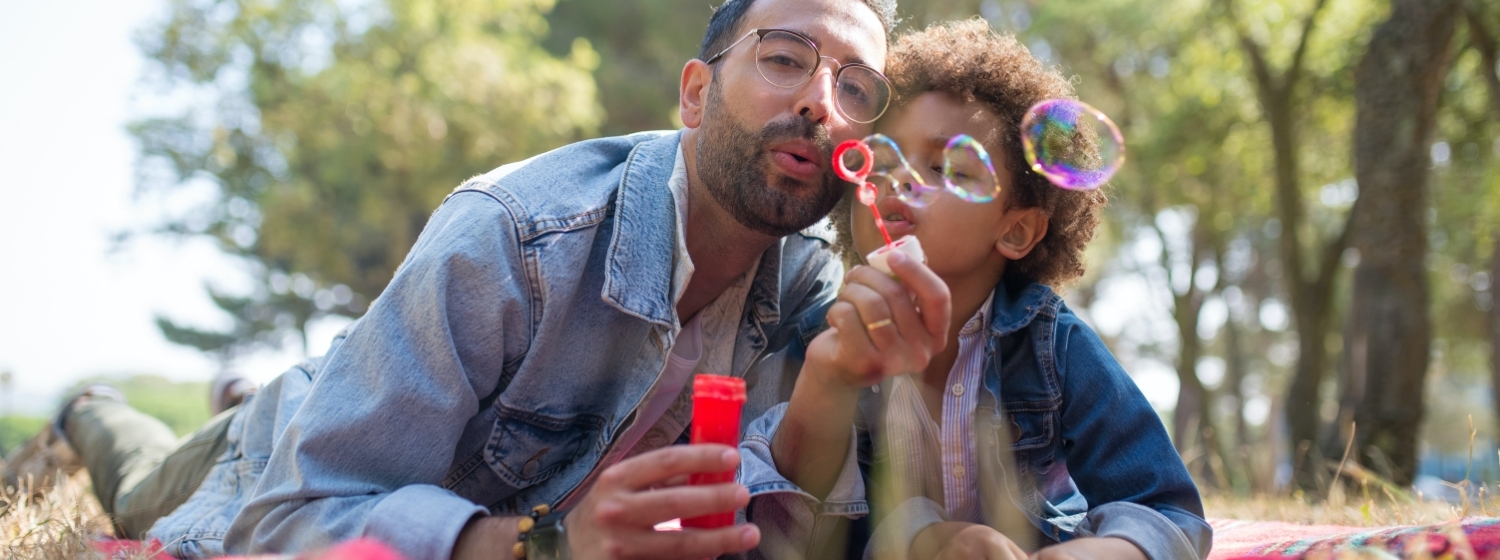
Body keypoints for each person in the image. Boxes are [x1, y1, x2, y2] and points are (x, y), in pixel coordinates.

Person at [1, 1, 950, 559]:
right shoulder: (516, 235)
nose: (819, 102)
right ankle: (93, 406)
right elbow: (294, 513)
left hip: (385, 404)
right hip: (286, 459)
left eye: (855, 89)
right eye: (785, 59)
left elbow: (776, 514)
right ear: (696, 95)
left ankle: (268, 386)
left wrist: (841, 375)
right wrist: (552, 545)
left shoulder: (815, 284)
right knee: (141, 488)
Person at [738, 19, 1213, 560]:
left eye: (945, 167)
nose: (901, 184)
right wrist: (926, 538)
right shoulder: (824, 343)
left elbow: (1166, 508)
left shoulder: (1051, 346)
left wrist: (1104, 552)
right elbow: (785, 531)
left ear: (1015, 230)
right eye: (885, 161)